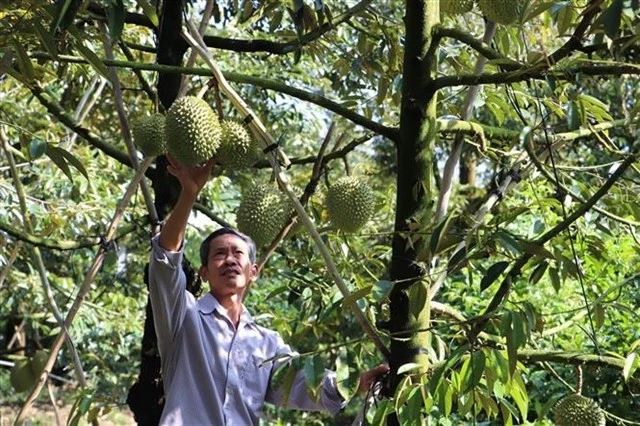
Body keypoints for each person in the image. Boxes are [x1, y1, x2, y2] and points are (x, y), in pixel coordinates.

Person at [148, 156, 389, 425]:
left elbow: (302, 383)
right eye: (219, 254)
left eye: (238, 253)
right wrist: (189, 194)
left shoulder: (267, 343)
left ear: (253, 272)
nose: (230, 259)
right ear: (203, 273)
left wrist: (355, 382)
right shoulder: (184, 317)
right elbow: (165, 260)